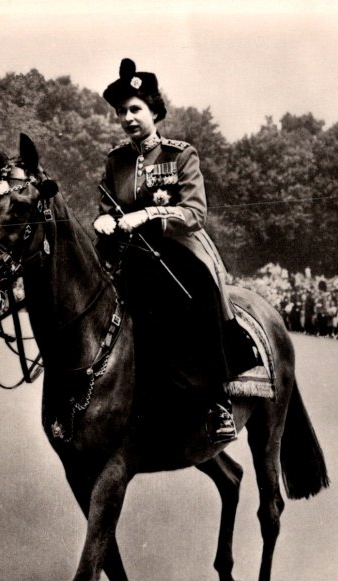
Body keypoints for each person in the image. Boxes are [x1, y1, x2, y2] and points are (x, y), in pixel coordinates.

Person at [94, 58, 258, 443]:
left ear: (154, 111)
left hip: (176, 248)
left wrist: (149, 214)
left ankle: (217, 403)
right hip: (128, 253)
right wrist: (101, 221)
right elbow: (107, 208)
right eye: (122, 112)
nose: (128, 118)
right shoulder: (115, 160)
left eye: (135, 109)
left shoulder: (180, 154)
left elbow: (194, 212)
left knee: (197, 293)